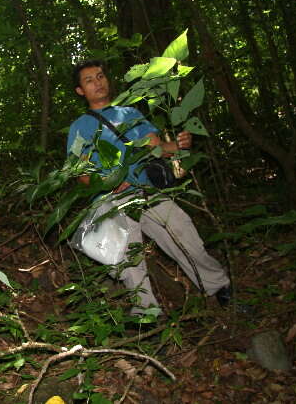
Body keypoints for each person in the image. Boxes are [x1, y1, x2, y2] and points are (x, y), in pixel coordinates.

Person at [67, 59, 231, 314]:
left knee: (184, 235)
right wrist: (107, 183)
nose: (98, 83)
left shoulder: (129, 113)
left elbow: (156, 147)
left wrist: (179, 145)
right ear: (80, 91)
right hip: (111, 200)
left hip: (147, 192)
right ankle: (147, 314)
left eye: (100, 76)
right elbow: (79, 172)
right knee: (129, 261)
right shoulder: (80, 127)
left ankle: (219, 287)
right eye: (89, 80)